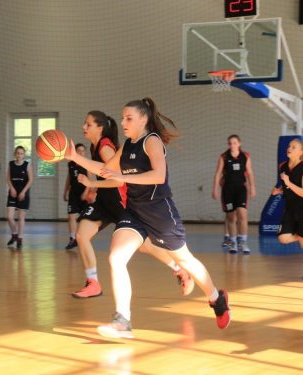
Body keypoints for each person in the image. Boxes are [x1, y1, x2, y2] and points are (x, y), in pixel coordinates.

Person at [65, 98, 230, 339]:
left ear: (143, 119)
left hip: (160, 212)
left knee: (186, 261)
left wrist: (123, 177)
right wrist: (74, 158)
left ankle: (216, 298)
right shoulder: (127, 146)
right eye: (122, 118)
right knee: (116, 257)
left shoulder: (151, 141)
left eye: (128, 118)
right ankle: (122, 320)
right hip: (134, 211)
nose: (123, 122)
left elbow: (159, 176)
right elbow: (105, 169)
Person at [71, 110, 194, 300]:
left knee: (145, 246)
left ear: (99, 128)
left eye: (88, 124)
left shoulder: (105, 147)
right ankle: (93, 283)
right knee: (81, 235)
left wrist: (92, 184)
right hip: (105, 202)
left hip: (121, 203)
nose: (83, 127)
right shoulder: (94, 146)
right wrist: (96, 190)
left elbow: (119, 180)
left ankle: (180, 269)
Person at [212, 135, 256, 254]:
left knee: (242, 215)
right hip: (228, 190)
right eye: (230, 143)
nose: (232, 145)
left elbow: (250, 173)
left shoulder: (245, 156)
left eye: (234, 143)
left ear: (239, 143)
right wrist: (215, 189)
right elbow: (218, 173)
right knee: (231, 217)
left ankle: (243, 242)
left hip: (241, 188)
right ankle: (233, 242)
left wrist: (252, 187)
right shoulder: (224, 157)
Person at [272, 138, 303, 249]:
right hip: (290, 208)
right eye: (289, 146)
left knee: (301, 238)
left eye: (293, 147)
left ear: (300, 152)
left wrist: (288, 183)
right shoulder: (283, 166)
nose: (289, 148)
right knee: (283, 238)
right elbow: (287, 185)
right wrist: (279, 189)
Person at [63, 143, 91, 249]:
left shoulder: (87, 163)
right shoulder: (70, 164)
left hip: (83, 192)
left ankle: (82, 238)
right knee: (71, 216)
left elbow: (90, 180)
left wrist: (86, 192)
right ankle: (72, 239)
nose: (81, 152)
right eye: (78, 150)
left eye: (83, 150)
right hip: (73, 193)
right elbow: (69, 178)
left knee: (84, 218)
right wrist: (65, 192)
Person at [6, 146, 33, 249]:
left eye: (21, 153)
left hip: (23, 192)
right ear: (14, 154)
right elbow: (8, 178)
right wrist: (11, 188)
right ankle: (14, 234)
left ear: (24, 155)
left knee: (21, 216)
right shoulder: (11, 164)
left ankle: (20, 238)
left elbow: (30, 180)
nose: (19, 155)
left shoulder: (27, 165)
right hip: (13, 192)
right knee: (9, 216)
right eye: (17, 153)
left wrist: (23, 192)